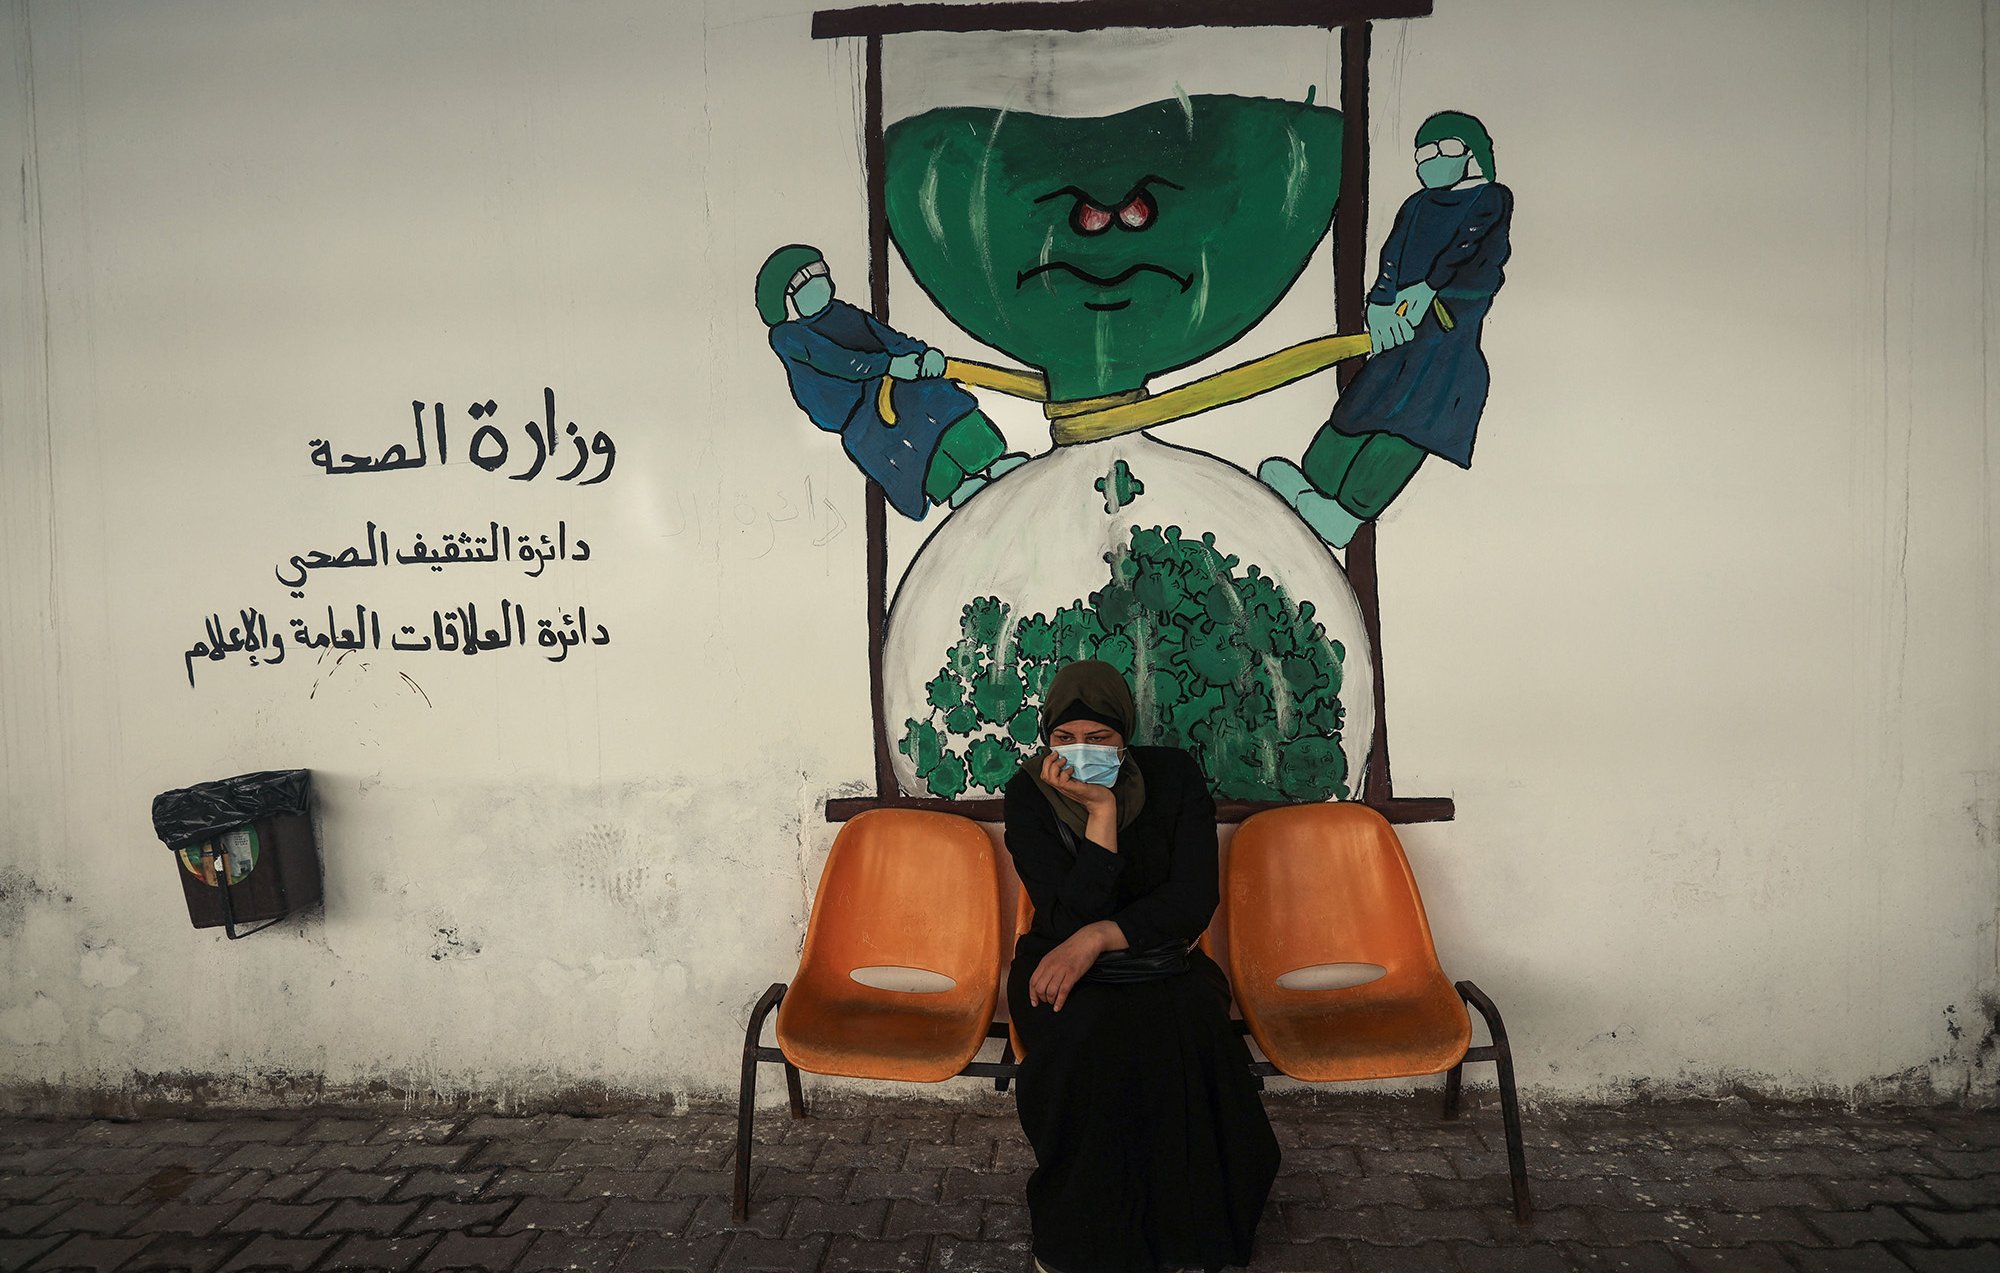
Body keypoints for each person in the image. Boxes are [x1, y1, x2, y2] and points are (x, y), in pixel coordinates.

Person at [1004, 659, 1279, 1273]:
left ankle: (1186, 1232)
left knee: (1185, 1030)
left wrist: (1102, 935)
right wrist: (1101, 816)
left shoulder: (1174, 777)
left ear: (1124, 736)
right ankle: (1082, 1238)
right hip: (1058, 960)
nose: (1080, 750)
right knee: (1088, 1039)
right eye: (1064, 737)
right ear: (1047, 738)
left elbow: (1193, 898)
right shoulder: (1028, 795)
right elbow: (1064, 915)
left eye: (1098, 737)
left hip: (1160, 960)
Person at [1261, 110, 1513, 547]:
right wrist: (1379, 303)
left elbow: (1467, 247)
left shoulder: (1490, 197)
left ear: (1471, 153)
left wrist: (1429, 289)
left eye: (1445, 148)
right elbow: (1392, 256)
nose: (1432, 159)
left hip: (1445, 334)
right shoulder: (1416, 205)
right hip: (1396, 329)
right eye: (1424, 153)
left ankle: (1346, 514)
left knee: (1410, 422)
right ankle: (1313, 483)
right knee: (1360, 406)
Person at [755, 243, 1025, 519]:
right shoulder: (788, 336)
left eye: (820, 271)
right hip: (857, 414)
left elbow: (887, 338)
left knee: (936, 393)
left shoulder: (842, 312)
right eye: (806, 278)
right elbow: (836, 360)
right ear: (787, 296)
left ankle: (990, 459)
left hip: (887, 381)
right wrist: (890, 365)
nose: (818, 281)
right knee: (903, 442)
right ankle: (953, 486)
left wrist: (923, 353)